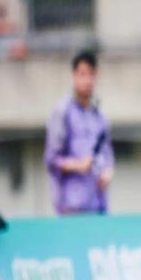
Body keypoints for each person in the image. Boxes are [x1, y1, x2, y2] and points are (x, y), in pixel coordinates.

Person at [45, 51, 114, 215]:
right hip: (72, 207)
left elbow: (107, 155)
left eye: (91, 74)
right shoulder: (62, 112)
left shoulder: (100, 116)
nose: (87, 80)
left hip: (98, 204)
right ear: (74, 76)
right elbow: (51, 160)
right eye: (82, 74)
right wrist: (78, 165)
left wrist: (108, 172)